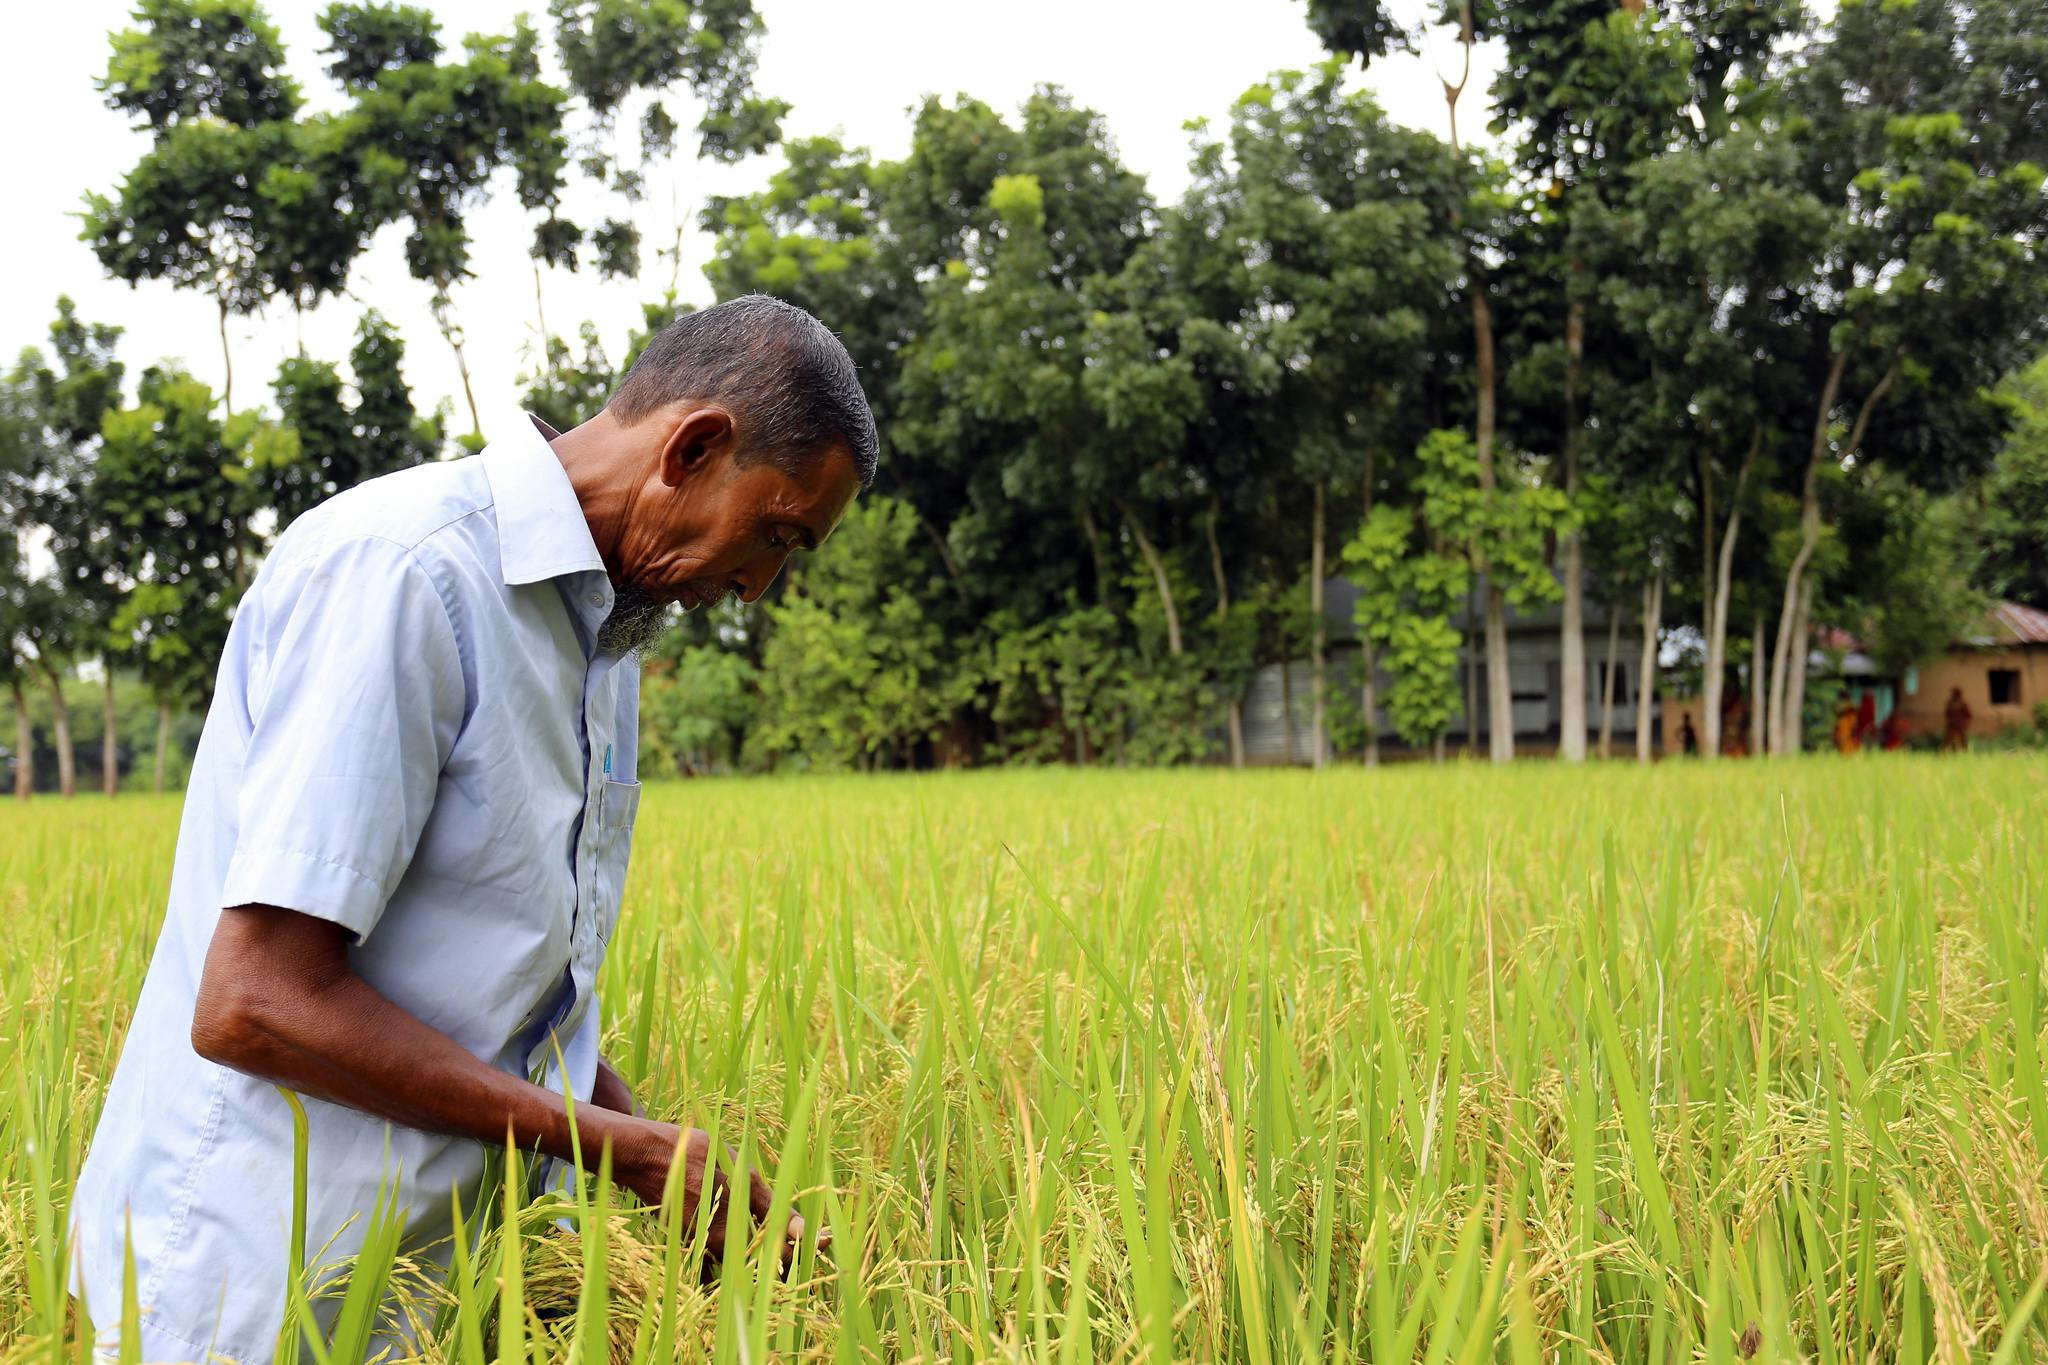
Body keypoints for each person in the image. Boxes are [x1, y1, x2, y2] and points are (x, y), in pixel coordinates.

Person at [69, 296, 876, 1359]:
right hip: (258, 1291)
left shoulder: (603, 635)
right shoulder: (405, 574)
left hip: (423, 1289)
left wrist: (658, 1159)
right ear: (692, 446)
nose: (757, 588)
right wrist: (616, 1150)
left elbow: (495, 988)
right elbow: (255, 1002)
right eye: (774, 534)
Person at [1944, 686, 1973, 751]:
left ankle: (1965, 752)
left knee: (1963, 740)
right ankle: (1944, 752)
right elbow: (1947, 714)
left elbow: (1968, 715)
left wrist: (1965, 723)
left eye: (1955, 693)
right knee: (1948, 739)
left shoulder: (1963, 704)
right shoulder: (1950, 703)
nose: (1954, 695)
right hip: (1952, 724)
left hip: (1960, 724)